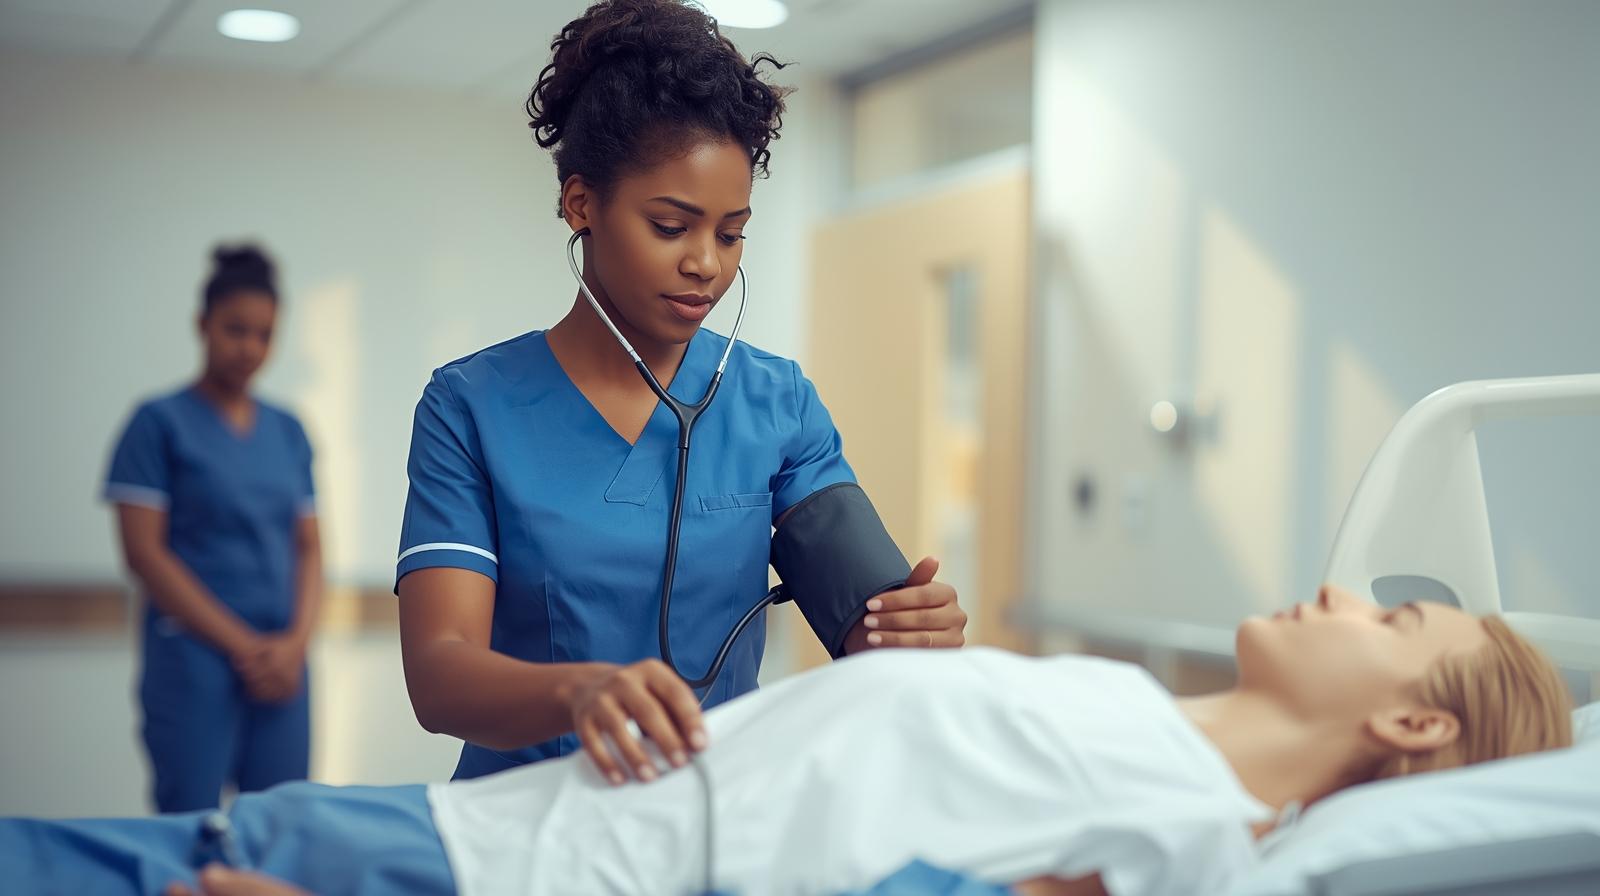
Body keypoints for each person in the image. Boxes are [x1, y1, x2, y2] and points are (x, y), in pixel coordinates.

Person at [2, 585, 1574, 896]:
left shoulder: (1168, 847)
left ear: (1413, 719)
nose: (1335, 589)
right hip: (455, 836)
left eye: (1389, 619)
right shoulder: (1125, 719)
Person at [394, 0, 966, 786]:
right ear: (581, 204)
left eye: (731, 233)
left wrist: (908, 627)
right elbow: (440, 673)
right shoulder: (471, 407)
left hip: (720, 815)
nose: (707, 263)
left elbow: (863, 620)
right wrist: (581, 690)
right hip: (527, 824)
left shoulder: (777, 402)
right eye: (671, 226)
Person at [103, 244, 322, 812]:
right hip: (196, 659)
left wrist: (294, 645)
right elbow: (144, 556)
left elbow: (310, 549)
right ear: (202, 325)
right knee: (188, 828)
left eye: (264, 334)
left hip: (282, 662)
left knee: (280, 823)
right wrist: (245, 646)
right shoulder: (157, 424)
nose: (249, 347)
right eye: (235, 329)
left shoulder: (288, 431)